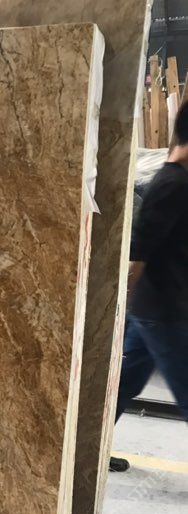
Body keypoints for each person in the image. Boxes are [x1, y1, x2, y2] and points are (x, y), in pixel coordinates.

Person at [110, 103, 188, 473]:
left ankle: (88, 453)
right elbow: (138, 253)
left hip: (152, 310)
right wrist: (120, 308)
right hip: (163, 314)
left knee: (122, 385)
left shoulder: (178, 182)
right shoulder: (172, 185)